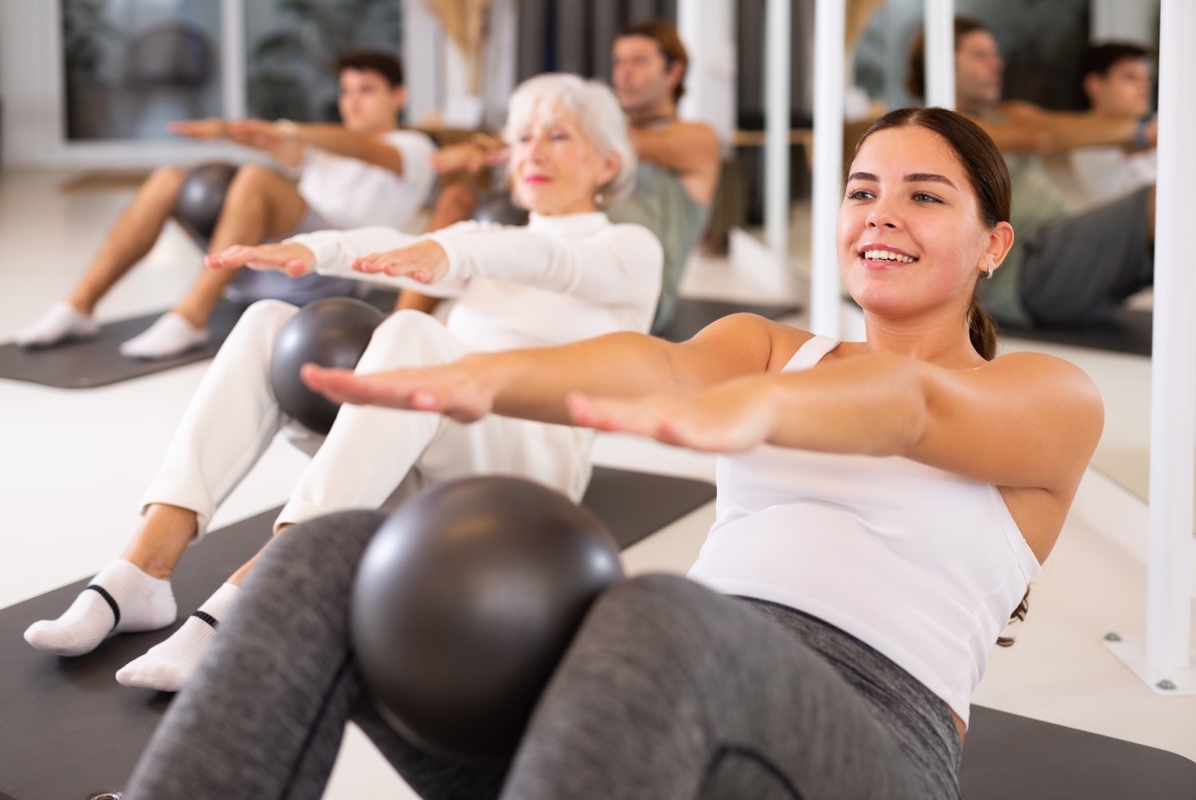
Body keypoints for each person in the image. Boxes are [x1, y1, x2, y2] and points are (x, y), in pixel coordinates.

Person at [123, 107, 1103, 799]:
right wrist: (474, 381)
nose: (881, 213)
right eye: (862, 190)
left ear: (992, 244)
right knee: (328, 553)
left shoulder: (1047, 398)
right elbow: (662, 368)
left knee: (664, 610)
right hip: (630, 720)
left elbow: (911, 406)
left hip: (868, 741)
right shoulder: (773, 346)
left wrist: (761, 408)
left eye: (924, 196)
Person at [23, 74, 662, 693]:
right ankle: (143, 568)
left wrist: (453, 254)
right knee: (270, 318)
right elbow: (400, 241)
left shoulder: (629, 248)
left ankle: (267, 588)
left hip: (530, 467)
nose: (532, 152)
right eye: (522, 138)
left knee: (413, 336)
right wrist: (314, 250)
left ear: (607, 165)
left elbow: (548, 259)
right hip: (418, 452)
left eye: (557, 136)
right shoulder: (484, 241)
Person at [15, 50, 439, 359]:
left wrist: (289, 131)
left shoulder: (412, 147)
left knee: (256, 178)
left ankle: (191, 318)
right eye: (346, 91)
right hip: (260, 264)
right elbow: (275, 141)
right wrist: (224, 130)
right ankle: (78, 307)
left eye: (367, 90)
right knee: (168, 180)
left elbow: (359, 147)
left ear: (398, 97)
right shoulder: (320, 147)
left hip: (326, 273)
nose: (352, 101)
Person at [431, 18, 721, 334]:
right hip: (564, 254)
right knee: (459, 200)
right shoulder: (594, 133)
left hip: (630, 284)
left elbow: (621, 141)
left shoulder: (697, 139)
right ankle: (398, 318)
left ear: (674, 72)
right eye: (619, 61)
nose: (624, 72)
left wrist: (508, 141)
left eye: (639, 61)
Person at [908, 17, 1156, 329]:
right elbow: (1042, 137)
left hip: (1057, 248)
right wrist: (1145, 131)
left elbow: (1049, 126)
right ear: (941, 61)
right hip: (1023, 271)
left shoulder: (1007, 114)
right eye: (980, 55)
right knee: (1160, 200)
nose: (997, 64)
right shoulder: (939, 131)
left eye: (995, 54)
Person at [1069, 41, 1156, 206]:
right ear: (1094, 85)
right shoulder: (1084, 137)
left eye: (1147, 79)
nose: (1145, 88)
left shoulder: (1151, 124)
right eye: (1130, 78)